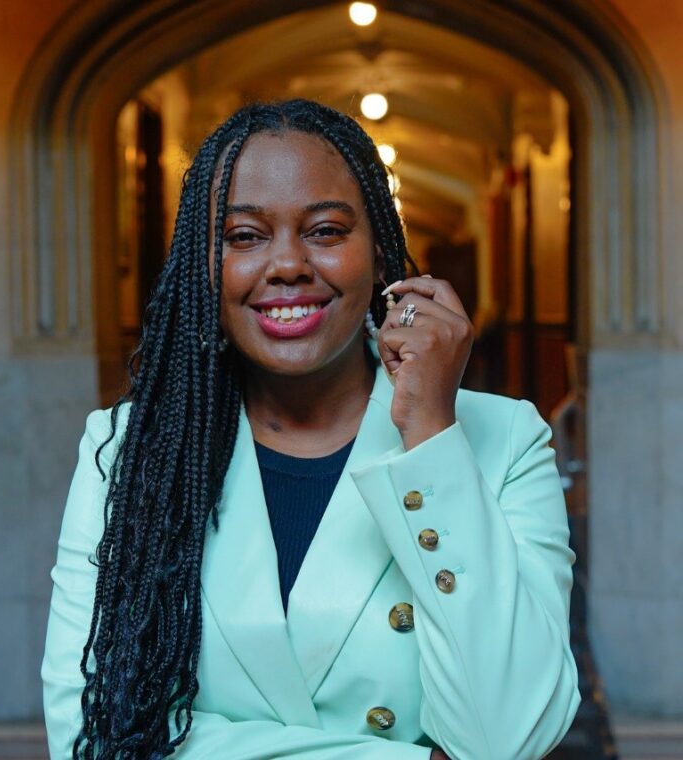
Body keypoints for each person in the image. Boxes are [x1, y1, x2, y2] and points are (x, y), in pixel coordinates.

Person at [42, 99, 580, 760]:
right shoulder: (128, 450)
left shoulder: (504, 440)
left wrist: (433, 435)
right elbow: (95, 734)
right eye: (244, 236)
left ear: (380, 253)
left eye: (325, 231)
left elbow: (511, 735)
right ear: (203, 267)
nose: (288, 263)